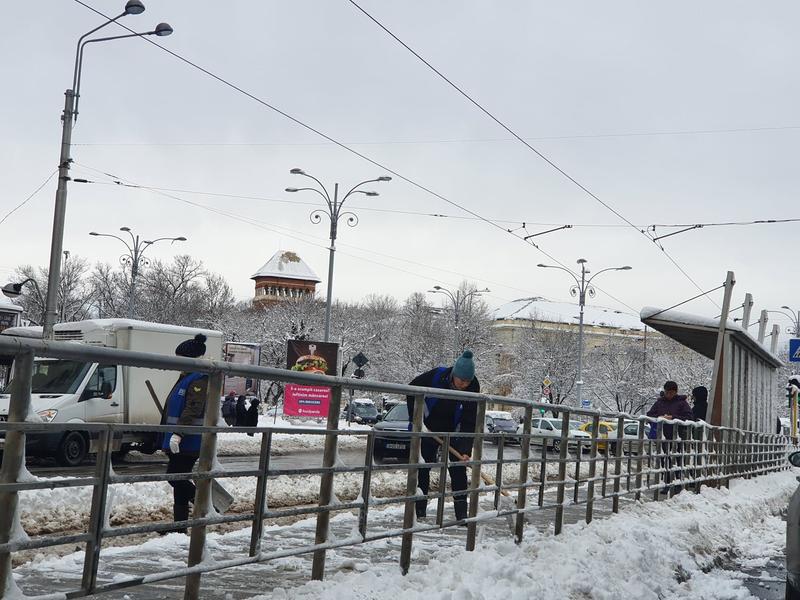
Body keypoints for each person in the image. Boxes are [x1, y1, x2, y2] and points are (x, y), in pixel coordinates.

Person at [406, 350, 479, 522]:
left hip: (454, 431)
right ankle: (420, 512)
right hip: (429, 428)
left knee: (458, 469)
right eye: (461, 380)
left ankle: (462, 515)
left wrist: (465, 449)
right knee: (423, 467)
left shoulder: (473, 387)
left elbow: (469, 420)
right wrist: (417, 420)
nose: (464, 385)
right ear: (454, 374)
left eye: (467, 381)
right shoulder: (437, 376)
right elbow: (411, 390)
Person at [162, 334, 209, 533]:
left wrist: (179, 434)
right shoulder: (186, 377)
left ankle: (207, 505)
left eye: (180, 358)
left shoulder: (198, 378)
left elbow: (193, 408)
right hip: (180, 439)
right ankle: (179, 527)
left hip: (189, 440)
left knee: (175, 478)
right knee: (179, 479)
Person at [647, 381, 693, 493]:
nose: (669, 395)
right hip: (663, 435)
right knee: (665, 460)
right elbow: (649, 414)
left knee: (677, 459)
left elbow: (689, 417)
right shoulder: (659, 403)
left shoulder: (682, 403)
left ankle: (677, 483)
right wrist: (660, 417)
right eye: (667, 392)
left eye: (671, 393)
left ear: (675, 392)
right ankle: (667, 483)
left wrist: (673, 417)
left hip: (677, 436)